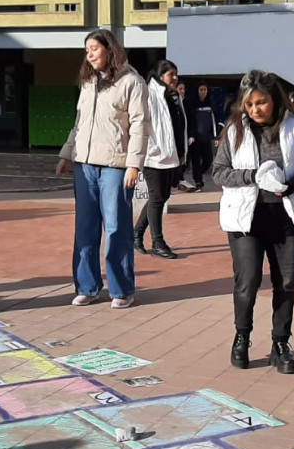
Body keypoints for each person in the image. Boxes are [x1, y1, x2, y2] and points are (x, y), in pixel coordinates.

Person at [210, 70, 294, 375]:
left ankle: (281, 343)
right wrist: (250, 176)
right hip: (246, 219)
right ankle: (242, 337)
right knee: (247, 283)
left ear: (274, 100)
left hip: (285, 217)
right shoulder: (234, 131)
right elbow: (218, 172)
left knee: (286, 282)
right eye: (250, 104)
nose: (255, 109)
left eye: (261, 102)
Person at [56, 29, 149, 309]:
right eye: (87, 50)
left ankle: (121, 290)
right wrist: (67, 154)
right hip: (85, 167)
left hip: (115, 168)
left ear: (110, 49)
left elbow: (141, 126)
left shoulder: (132, 82)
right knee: (84, 229)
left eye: (94, 48)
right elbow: (79, 123)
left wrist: (134, 165)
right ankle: (87, 286)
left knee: (117, 227)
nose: (90, 54)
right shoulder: (88, 83)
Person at [133, 60, 188, 259]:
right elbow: (141, 125)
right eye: (170, 74)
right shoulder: (149, 95)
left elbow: (178, 126)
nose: (175, 77)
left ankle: (137, 233)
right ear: (159, 75)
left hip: (170, 157)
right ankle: (158, 243)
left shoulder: (173, 97)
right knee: (157, 198)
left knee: (161, 197)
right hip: (153, 157)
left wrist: (180, 154)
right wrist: (153, 150)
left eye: (176, 73)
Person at [183, 82, 222, 192]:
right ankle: (198, 182)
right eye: (201, 89)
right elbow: (190, 121)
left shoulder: (211, 104)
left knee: (208, 160)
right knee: (196, 160)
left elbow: (215, 121)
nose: (203, 92)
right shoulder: (192, 103)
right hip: (195, 138)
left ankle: (198, 175)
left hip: (206, 137)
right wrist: (191, 135)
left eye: (205, 89)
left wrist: (216, 137)